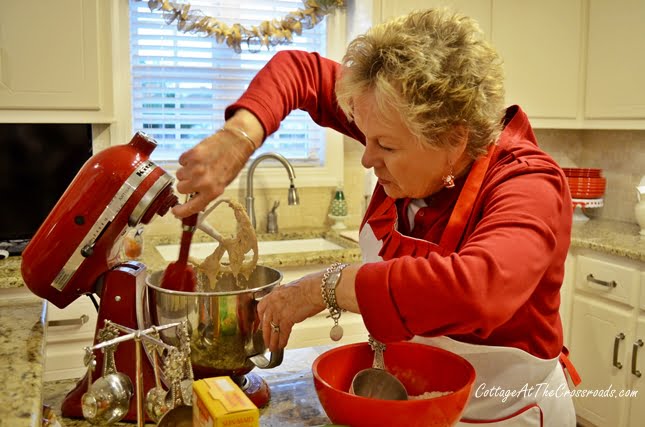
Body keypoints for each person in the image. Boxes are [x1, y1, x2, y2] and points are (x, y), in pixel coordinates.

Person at [172, 8, 578, 425]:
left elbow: (478, 288)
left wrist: (326, 287)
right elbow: (301, 71)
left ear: (455, 139)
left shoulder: (529, 184)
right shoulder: (393, 115)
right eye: (366, 136)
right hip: (411, 401)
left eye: (385, 146)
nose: (368, 158)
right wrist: (240, 136)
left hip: (505, 413)